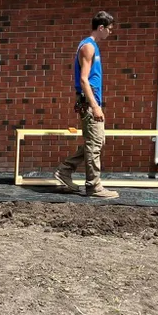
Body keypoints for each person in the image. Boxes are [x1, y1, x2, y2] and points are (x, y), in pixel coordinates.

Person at [55, 11, 119, 198]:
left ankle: (64, 171)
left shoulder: (92, 47)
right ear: (101, 28)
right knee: (95, 144)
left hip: (92, 101)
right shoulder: (88, 47)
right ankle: (94, 186)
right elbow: (84, 80)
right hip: (89, 103)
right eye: (109, 29)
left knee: (96, 142)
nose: (110, 33)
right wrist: (95, 106)